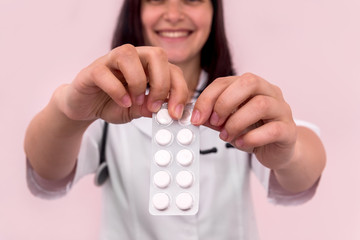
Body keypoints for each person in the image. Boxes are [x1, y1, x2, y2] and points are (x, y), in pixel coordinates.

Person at [24, 0, 326, 239]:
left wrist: (290, 153)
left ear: (213, 11)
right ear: (136, 10)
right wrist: (67, 111)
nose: (173, 14)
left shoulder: (242, 100)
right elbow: (46, 177)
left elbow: (301, 177)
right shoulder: (106, 100)